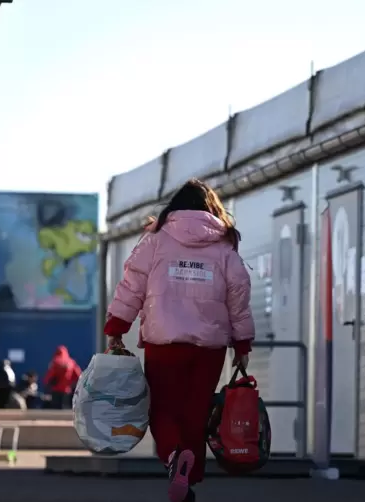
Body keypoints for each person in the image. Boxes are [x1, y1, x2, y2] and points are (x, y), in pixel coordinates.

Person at [103, 178, 255, 502]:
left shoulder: (155, 240)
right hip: (210, 346)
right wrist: (242, 344)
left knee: (161, 408)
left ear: (175, 208)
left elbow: (132, 284)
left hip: (164, 341)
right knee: (195, 412)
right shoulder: (224, 246)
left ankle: (174, 459)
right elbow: (238, 295)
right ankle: (190, 474)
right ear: (210, 208)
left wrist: (117, 326)